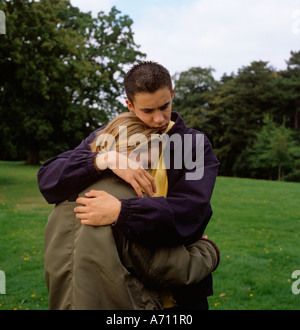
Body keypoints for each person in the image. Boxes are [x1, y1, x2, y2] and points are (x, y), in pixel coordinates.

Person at [38, 61, 220, 309]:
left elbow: (190, 214)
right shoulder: (108, 135)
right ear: (130, 105)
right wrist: (104, 159)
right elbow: (48, 179)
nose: (158, 118)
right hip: (128, 293)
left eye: (164, 106)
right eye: (147, 110)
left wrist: (122, 212)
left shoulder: (194, 145)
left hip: (182, 294)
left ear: (172, 94)